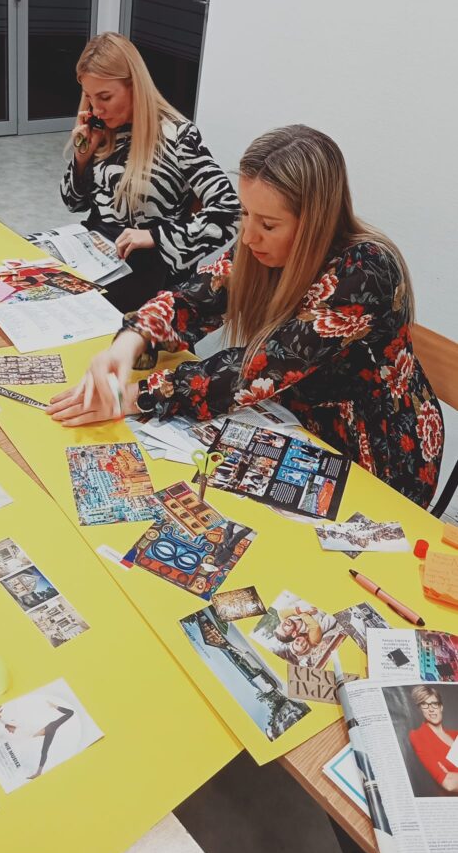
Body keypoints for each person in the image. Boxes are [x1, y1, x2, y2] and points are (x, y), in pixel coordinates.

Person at [49, 124, 444, 507]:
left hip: (373, 452)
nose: (250, 236)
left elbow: (260, 367)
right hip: (294, 421)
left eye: (268, 224)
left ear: (315, 222)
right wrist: (130, 342)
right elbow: (196, 298)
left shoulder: (366, 270)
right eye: (245, 214)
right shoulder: (259, 246)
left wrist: (135, 396)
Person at [60, 32, 239, 311]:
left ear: (135, 86)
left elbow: (229, 213)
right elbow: (73, 203)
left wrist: (156, 236)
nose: (97, 109)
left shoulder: (178, 136)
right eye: (90, 97)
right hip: (97, 259)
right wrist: (82, 159)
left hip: (151, 271)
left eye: (105, 97)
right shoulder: (102, 130)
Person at [408, 686, 458, 793]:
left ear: (441, 707)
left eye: (434, 703)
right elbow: (449, 783)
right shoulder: (418, 736)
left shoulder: (456, 735)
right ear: (420, 709)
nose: (431, 709)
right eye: (424, 704)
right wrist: (448, 777)